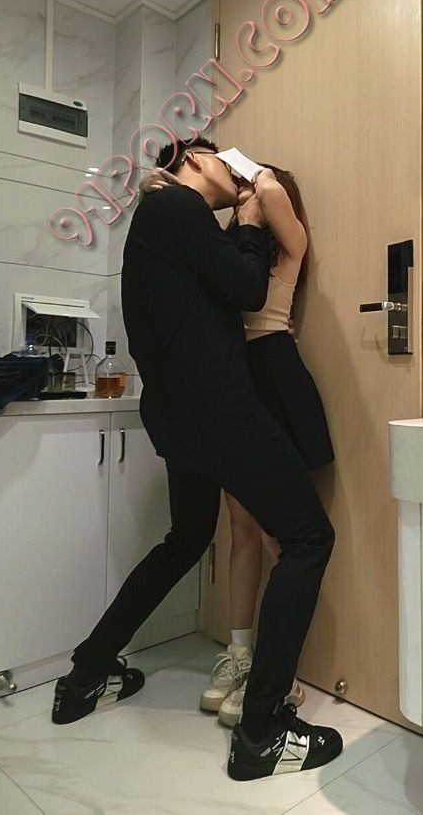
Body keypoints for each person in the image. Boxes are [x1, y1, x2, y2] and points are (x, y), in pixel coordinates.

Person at [51, 136, 343, 781]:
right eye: (223, 162)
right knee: (309, 537)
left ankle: (85, 676)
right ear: (191, 160)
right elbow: (246, 287)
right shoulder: (175, 206)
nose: (235, 176)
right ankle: (262, 732)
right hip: (217, 411)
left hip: (178, 416)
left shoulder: (165, 223)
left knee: (186, 539)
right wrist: (250, 223)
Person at [139, 161, 334, 729]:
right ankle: (240, 654)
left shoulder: (287, 237)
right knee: (241, 529)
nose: (241, 185)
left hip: (272, 375)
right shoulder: (230, 251)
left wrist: (254, 177)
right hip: (231, 381)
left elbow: (271, 198)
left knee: (281, 533)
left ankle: (277, 670)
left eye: (249, 180)